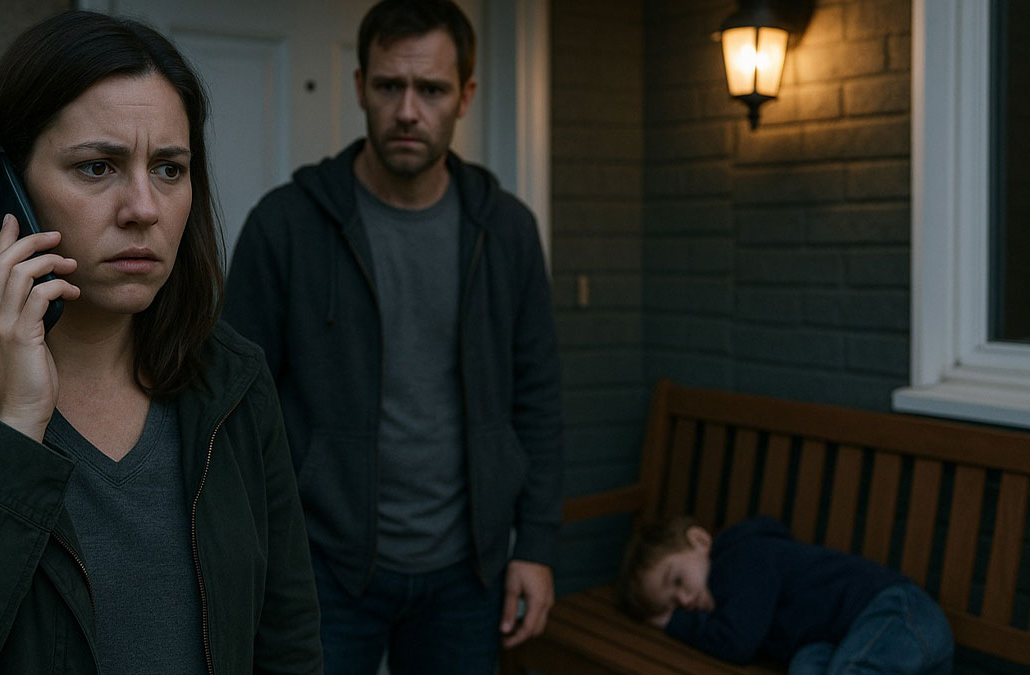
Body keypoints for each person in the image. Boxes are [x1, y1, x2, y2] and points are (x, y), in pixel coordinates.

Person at [0, 11, 321, 674]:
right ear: (6, 191)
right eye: (98, 166)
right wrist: (12, 432)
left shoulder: (230, 379)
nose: (143, 207)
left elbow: (286, 644)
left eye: (170, 169)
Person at [221, 0, 562, 672]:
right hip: (322, 564)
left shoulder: (508, 231)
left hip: (469, 571)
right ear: (359, 87)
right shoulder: (286, 225)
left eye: (431, 89)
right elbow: (233, 405)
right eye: (388, 86)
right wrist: (254, 549)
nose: (408, 110)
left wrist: (538, 545)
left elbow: (539, 396)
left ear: (464, 96)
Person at [616, 514, 954, 673]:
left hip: (900, 614)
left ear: (701, 541)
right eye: (674, 605)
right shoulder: (732, 591)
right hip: (852, 640)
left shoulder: (740, 559)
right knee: (806, 665)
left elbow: (736, 643)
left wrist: (673, 623)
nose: (686, 601)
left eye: (676, 581)